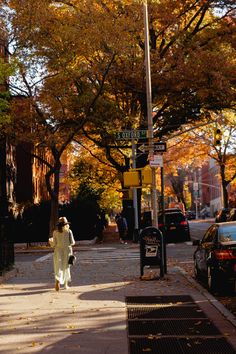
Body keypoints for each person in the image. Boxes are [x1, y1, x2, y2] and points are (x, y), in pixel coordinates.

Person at [50, 216, 75, 291]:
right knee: (66, 267)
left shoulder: (55, 232)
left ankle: (57, 281)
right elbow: (73, 242)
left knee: (58, 267)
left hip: (58, 251)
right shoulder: (69, 231)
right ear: (66, 224)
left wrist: (50, 241)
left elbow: (54, 244)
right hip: (67, 251)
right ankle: (66, 285)